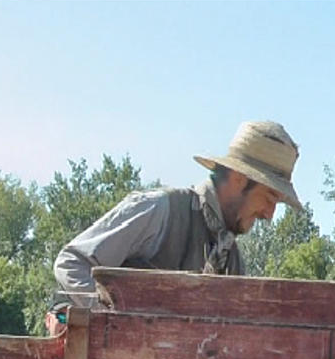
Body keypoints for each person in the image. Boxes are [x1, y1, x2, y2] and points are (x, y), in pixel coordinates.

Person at [54, 120, 304, 306]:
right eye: (270, 197)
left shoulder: (233, 262)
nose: (270, 215)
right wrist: (114, 323)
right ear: (239, 179)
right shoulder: (161, 211)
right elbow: (72, 263)